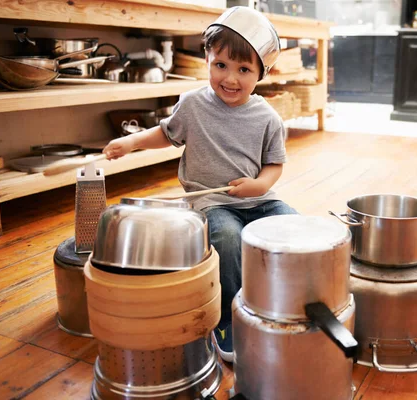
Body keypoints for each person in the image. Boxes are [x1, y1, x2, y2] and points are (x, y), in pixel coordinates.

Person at [102, 7, 297, 363]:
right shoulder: (192, 105)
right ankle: (228, 319)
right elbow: (165, 134)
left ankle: (283, 303)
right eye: (220, 65)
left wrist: (258, 185)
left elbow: (274, 166)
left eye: (244, 70)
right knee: (226, 237)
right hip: (212, 203)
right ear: (207, 58)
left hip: (258, 199)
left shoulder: (267, 117)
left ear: (260, 74)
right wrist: (130, 143)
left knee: (294, 227)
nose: (231, 79)